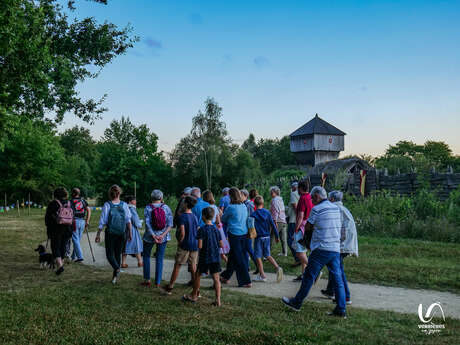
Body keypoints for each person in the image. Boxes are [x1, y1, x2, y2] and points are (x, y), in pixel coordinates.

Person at [282, 186, 347, 318]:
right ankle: (341, 308)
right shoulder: (336, 208)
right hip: (335, 248)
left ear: (317, 197)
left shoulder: (316, 209)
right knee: (337, 278)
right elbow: (342, 229)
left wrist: (308, 243)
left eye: (312, 198)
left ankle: (297, 302)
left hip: (321, 248)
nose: (312, 200)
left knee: (309, 276)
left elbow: (308, 228)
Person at [321, 191, 358, 305]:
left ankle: (346, 296)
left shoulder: (336, 209)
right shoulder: (343, 209)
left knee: (338, 270)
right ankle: (330, 291)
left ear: (332, 199)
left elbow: (340, 229)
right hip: (346, 243)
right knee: (334, 267)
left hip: (342, 244)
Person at [182, 207, 223, 306]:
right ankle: (218, 300)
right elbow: (221, 244)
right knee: (216, 279)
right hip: (215, 257)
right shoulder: (216, 230)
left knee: (198, 276)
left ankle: (194, 295)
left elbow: (200, 246)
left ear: (203, 217)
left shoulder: (201, 230)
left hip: (205, 257)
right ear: (213, 217)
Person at [96, 185, 132, 284]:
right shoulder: (124, 205)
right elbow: (128, 220)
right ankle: (115, 276)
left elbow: (102, 221)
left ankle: (116, 269)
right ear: (119, 193)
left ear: (110, 194)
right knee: (117, 255)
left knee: (109, 254)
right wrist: (130, 233)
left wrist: (98, 234)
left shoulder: (107, 204)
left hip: (111, 233)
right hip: (122, 232)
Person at [164, 196, 199, 294]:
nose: (182, 204)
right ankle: (196, 289)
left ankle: (170, 286)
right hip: (194, 244)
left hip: (185, 244)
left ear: (186, 204)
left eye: (183, 202)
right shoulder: (194, 216)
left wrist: (180, 242)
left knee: (178, 265)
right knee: (193, 266)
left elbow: (182, 232)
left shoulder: (182, 217)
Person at [220, 188, 252, 288]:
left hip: (234, 234)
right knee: (233, 256)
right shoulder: (243, 206)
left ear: (231, 196)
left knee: (239, 257)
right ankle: (226, 276)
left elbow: (223, 219)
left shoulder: (231, 207)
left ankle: (246, 281)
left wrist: (221, 214)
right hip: (243, 233)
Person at [141, 189, 173, 287]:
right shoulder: (166, 207)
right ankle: (158, 282)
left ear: (152, 197)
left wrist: (154, 235)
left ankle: (147, 280)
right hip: (163, 237)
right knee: (159, 258)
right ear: (161, 198)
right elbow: (170, 224)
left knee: (146, 256)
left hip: (149, 236)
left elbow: (147, 223)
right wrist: (162, 236)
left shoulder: (148, 208)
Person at [252, 196, 283, 283]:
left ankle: (262, 275)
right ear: (262, 203)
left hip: (259, 238)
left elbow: (251, 227)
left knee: (257, 257)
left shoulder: (253, 214)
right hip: (267, 237)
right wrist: (277, 236)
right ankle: (277, 267)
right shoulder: (267, 213)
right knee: (267, 255)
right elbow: (273, 225)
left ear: (254, 204)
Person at [45, 187, 73, 275]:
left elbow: (48, 217)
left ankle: (60, 266)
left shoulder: (53, 203)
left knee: (55, 247)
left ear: (55, 195)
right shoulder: (69, 203)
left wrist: (48, 227)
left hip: (56, 229)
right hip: (68, 228)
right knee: (63, 246)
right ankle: (61, 263)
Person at [292, 179, 314, 282]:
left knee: (299, 253)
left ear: (300, 188)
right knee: (303, 252)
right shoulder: (310, 197)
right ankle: (304, 274)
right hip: (309, 226)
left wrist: (296, 228)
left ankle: (314, 270)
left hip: (302, 227)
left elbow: (300, 216)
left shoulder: (302, 198)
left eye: (298, 189)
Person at [203, 190, 229, 263]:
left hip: (208, 227)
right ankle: (229, 265)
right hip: (216, 228)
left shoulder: (206, 207)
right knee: (219, 249)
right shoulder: (215, 206)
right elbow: (218, 219)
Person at [69, 187, 91, 263]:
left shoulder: (70, 201)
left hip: (74, 221)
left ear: (74, 193)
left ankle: (80, 257)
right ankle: (73, 256)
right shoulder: (83, 200)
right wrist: (87, 221)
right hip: (82, 221)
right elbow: (88, 210)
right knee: (77, 240)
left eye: (72, 192)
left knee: (75, 239)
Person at [121, 195, 143, 268]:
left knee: (125, 246)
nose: (136, 201)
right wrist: (140, 223)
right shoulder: (132, 209)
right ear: (130, 201)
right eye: (134, 200)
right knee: (136, 246)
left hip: (125, 229)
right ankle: (140, 262)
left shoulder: (124, 208)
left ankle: (123, 263)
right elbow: (135, 221)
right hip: (132, 229)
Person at [240, 189, 258, 271]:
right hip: (243, 230)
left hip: (248, 230)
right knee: (245, 249)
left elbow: (251, 218)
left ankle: (258, 266)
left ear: (246, 196)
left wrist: (250, 231)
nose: (239, 196)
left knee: (249, 249)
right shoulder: (243, 204)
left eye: (241, 195)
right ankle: (247, 267)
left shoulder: (249, 205)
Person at [269, 186, 287, 255]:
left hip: (278, 220)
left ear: (275, 192)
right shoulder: (280, 199)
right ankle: (284, 252)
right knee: (283, 237)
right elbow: (282, 210)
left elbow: (276, 211)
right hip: (283, 220)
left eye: (272, 192)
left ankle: (267, 253)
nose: (270, 193)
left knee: (272, 236)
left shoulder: (274, 200)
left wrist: (274, 221)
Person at [287, 182, 300, 267]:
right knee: (297, 239)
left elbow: (295, 207)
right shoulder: (302, 194)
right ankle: (299, 258)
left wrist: (298, 218)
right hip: (299, 220)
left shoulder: (293, 194)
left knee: (290, 240)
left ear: (294, 187)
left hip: (293, 220)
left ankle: (298, 258)